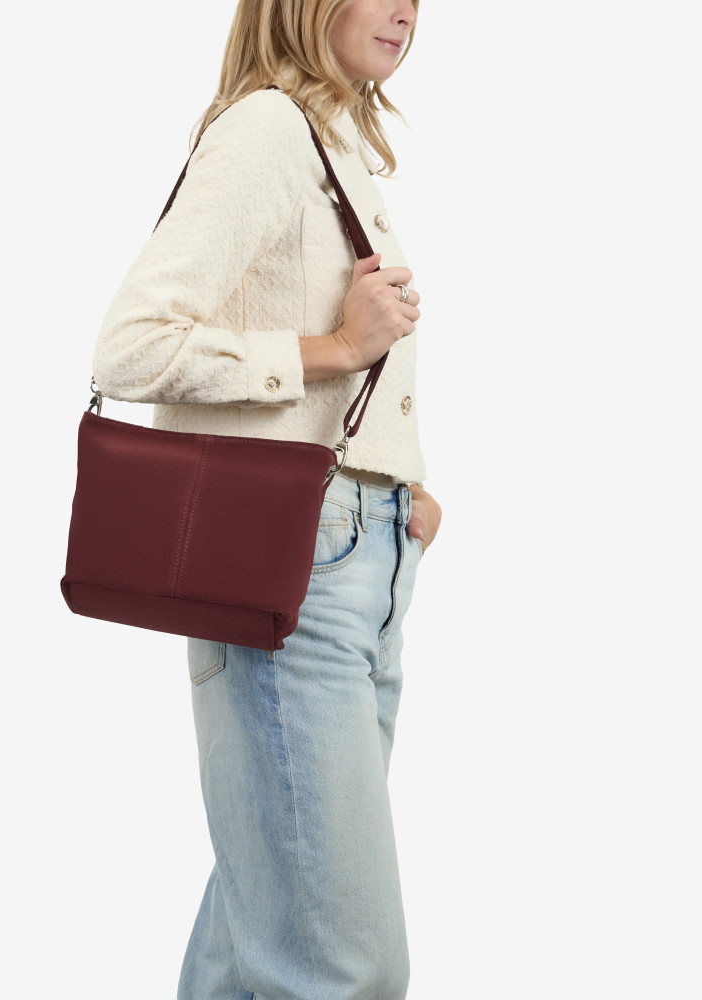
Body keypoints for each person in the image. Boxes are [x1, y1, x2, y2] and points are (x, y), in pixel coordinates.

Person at [91, 1, 440, 996]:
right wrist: (333, 348)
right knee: (344, 966)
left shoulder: (333, 143)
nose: (407, 9)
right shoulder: (267, 130)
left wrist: (397, 480)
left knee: (264, 930)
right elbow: (130, 347)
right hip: (296, 574)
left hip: (359, 563)